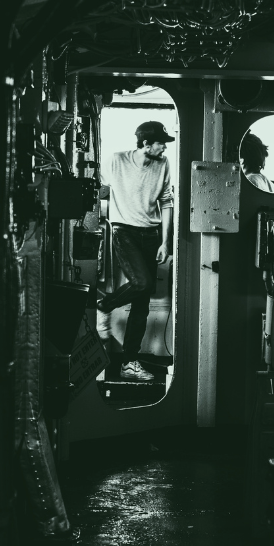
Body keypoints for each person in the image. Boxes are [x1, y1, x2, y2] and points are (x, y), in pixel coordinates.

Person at [96, 120, 175, 382]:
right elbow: (99, 188)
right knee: (142, 283)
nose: (164, 148)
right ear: (145, 144)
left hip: (151, 235)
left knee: (142, 304)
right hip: (124, 232)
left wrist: (165, 242)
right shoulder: (116, 160)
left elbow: (166, 202)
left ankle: (129, 362)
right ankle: (104, 305)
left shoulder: (163, 164)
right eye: (161, 143)